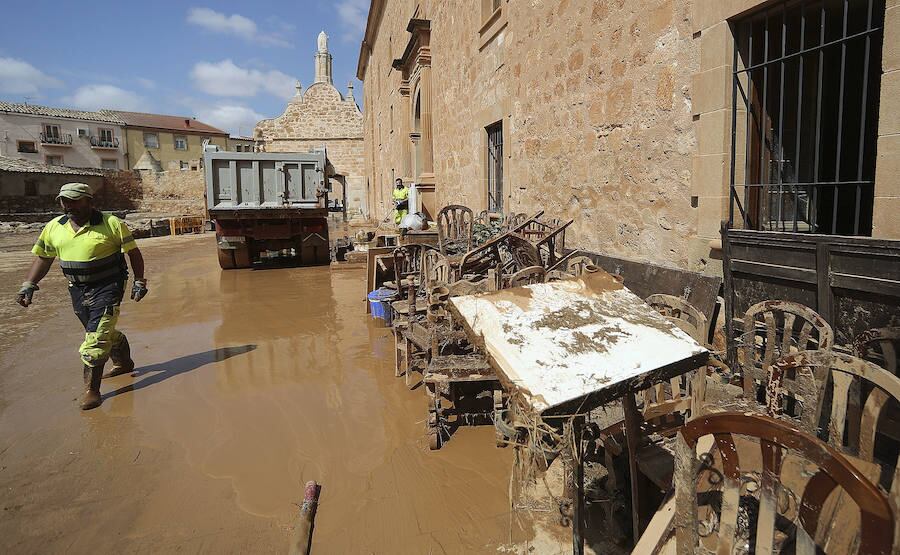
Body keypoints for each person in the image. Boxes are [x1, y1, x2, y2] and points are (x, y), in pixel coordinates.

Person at [16, 183, 148, 410]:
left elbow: (133, 254)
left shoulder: (111, 224)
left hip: (109, 286)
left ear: (89, 201)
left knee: (94, 341)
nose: (69, 205)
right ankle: (123, 359)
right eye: (64, 201)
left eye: (75, 200)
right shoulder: (54, 227)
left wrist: (139, 281)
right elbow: (44, 258)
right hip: (77, 289)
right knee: (99, 330)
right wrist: (29, 284)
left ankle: (92, 391)